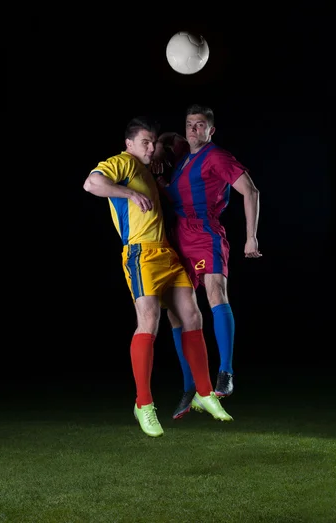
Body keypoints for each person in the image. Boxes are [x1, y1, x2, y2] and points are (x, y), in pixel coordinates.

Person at [82, 115, 234, 438]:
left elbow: (166, 145)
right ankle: (143, 404)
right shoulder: (122, 163)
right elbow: (91, 183)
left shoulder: (149, 170)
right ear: (129, 145)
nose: (151, 148)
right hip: (141, 255)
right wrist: (128, 195)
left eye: (152, 143)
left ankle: (205, 394)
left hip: (166, 253)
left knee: (193, 315)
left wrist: (163, 149)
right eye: (144, 143)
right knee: (148, 321)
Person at [152, 104, 262, 420]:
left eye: (200, 125)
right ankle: (190, 387)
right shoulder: (185, 152)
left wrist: (251, 237)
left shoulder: (216, 156)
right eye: (190, 124)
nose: (193, 130)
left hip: (205, 235)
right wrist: (160, 147)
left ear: (211, 130)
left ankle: (225, 372)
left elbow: (250, 191)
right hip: (178, 238)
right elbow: (170, 136)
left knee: (215, 293)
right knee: (176, 313)